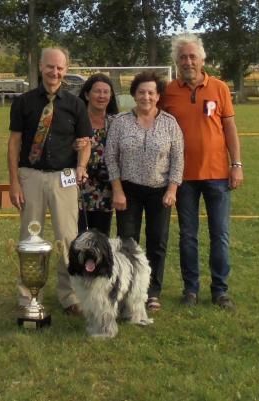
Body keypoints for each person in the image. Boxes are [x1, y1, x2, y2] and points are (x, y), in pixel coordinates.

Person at [8, 47, 92, 316]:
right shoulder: (23, 102)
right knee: (30, 238)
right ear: (40, 67)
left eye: (60, 68)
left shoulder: (76, 104)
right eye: (50, 67)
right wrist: (14, 182)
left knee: (68, 239)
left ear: (65, 70)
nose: (55, 72)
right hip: (30, 176)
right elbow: (14, 144)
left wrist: (81, 166)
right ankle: (28, 296)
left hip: (64, 177)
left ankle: (69, 295)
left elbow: (85, 143)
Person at [162, 34, 243, 310]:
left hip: (218, 175)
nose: (188, 61)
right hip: (182, 177)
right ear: (176, 61)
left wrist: (237, 164)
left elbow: (230, 128)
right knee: (188, 235)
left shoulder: (219, 88)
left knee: (220, 234)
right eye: (183, 57)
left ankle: (220, 290)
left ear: (202, 59)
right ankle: (190, 290)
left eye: (192, 56)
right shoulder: (169, 91)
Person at [105, 71, 184, 312]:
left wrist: (172, 189)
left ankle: (152, 292)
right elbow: (111, 157)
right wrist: (117, 190)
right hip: (128, 190)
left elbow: (178, 158)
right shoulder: (120, 122)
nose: (146, 97)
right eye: (141, 92)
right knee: (128, 242)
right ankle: (127, 289)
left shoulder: (170, 123)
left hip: (159, 192)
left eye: (151, 92)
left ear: (158, 96)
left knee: (157, 242)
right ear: (134, 95)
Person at [76, 73, 119, 236]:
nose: (102, 96)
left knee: (101, 238)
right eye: (97, 91)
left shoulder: (117, 122)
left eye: (106, 92)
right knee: (77, 237)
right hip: (78, 188)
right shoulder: (75, 120)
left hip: (106, 190)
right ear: (87, 94)